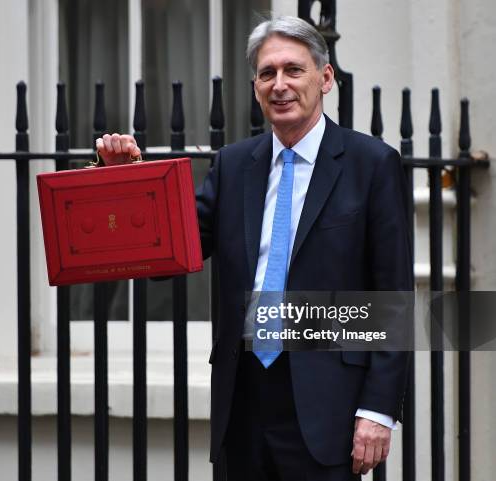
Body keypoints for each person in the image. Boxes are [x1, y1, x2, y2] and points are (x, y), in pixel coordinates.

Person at [96, 15, 412, 481]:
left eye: (293, 70)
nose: (279, 84)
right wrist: (124, 182)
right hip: (241, 400)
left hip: (327, 407)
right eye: (267, 73)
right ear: (255, 86)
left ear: (325, 79)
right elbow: (167, 255)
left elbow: (392, 299)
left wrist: (378, 410)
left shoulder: (372, 164)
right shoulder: (234, 165)